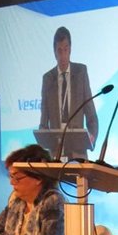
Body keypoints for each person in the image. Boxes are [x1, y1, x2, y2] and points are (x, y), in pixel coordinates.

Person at [39, 26, 98, 158]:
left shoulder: (81, 72)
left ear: (70, 49)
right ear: (54, 52)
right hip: (56, 149)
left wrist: (92, 135)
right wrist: (43, 138)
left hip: (78, 148)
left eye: (66, 49)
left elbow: (91, 112)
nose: (63, 55)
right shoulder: (48, 78)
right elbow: (44, 120)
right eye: (59, 50)